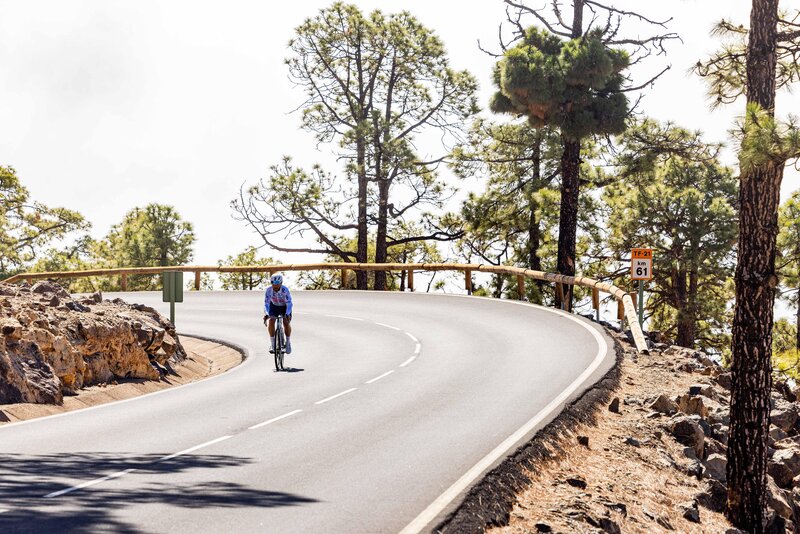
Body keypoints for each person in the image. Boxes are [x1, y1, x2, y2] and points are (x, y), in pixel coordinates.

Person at [263, 273, 293, 354]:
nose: (275, 285)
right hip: (274, 306)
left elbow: (289, 303)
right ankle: (272, 344)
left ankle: (288, 343)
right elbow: (266, 303)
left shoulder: (285, 290)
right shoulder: (268, 290)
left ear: (281, 283)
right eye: (273, 283)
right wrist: (266, 313)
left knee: (286, 322)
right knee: (271, 321)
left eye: (277, 283)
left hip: (285, 306)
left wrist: (287, 313)